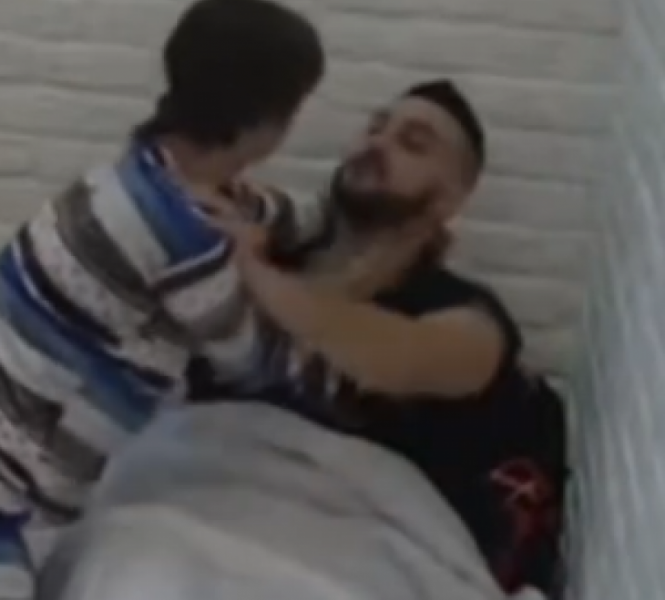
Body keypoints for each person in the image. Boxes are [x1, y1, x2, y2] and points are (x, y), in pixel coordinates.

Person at [0, 0, 326, 596]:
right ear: (265, 122)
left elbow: (270, 211)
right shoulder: (184, 238)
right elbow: (258, 362)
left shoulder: (137, 175)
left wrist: (318, 218)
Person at [207, 80, 565, 595]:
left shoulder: (470, 319)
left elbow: (395, 358)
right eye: (375, 127)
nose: (378, 143)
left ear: (449, 199)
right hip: (198, 505)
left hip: (351, 553)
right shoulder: (269, 255)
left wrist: (252, 272)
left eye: (412, 143)